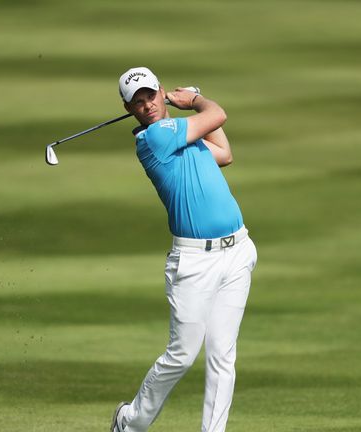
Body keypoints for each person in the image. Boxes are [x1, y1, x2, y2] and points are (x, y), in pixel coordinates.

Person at [110, 67, 258, 432]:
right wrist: (194, 100)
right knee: (182, 354)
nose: (146, 106)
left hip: (237, 251)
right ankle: (129, 422)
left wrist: (194, 110)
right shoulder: (155, 139)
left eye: (150, 96)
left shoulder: (183, 138)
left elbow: (224, 152)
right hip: (194, 262)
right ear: (129, 109)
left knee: (223, 355)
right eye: (137, 103)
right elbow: (217, 114)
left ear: (160, 92)